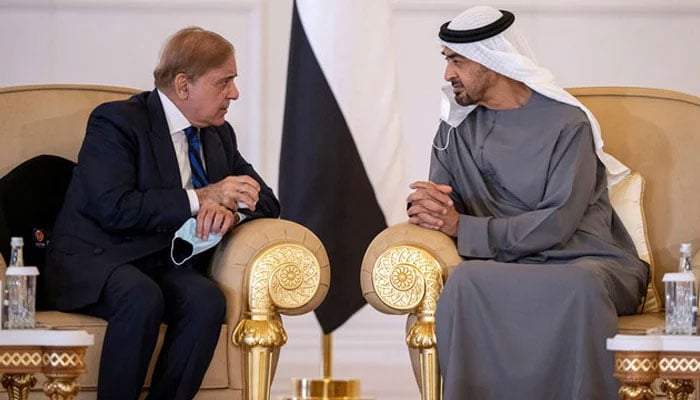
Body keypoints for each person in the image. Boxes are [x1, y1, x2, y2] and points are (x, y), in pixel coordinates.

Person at [406, 6, 649, 399]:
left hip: (587, 260)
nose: (448, 74)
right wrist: (425, 207)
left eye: (457, 61)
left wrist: (460, 226)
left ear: (492, 61)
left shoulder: (568, 124)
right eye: (447, 61)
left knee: (580, 285)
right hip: (507, 264)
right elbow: (441, 204)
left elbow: (558, 222)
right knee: (464, 282)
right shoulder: (455, 130)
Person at [45, 27, 280, 400]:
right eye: (224, 82)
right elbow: (113, 207)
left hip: (160, 262)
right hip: (97, 258)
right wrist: (202, 197)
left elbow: (266, 201)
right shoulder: (117, 122)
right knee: (141, 297)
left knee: (207, 300)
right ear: (184, 85)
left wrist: (231, 215)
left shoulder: (217, 135)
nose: (234, 93)